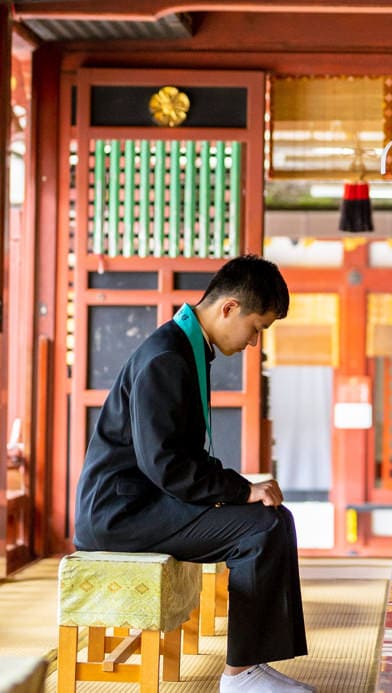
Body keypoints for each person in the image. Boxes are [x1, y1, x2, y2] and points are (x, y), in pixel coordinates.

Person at [74, 255, 313, 691]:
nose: (255, 342)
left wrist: (239, 490)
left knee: (273, 519)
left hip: (146, 502)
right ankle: (241, 676)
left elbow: (176, 459)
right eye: (257, 327)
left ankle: (252, 664)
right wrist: (241, 490)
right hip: (120, 513)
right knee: (260, 528)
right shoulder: (166, 357)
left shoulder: (184, 348)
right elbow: (164, 463)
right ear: (229, 308)